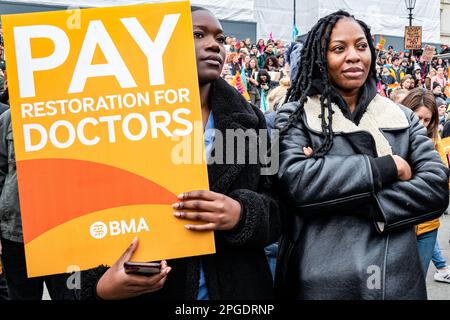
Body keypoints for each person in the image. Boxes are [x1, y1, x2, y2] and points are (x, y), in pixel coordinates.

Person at [80, 6, 280, 300]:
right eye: (197, 35)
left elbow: (279, 209)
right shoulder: (112, 121)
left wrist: (240, 214)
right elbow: (82, 222)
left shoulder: (253, 119)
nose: (214, 45)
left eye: (220, 39)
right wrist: (99, 287)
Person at [275, 10, 449, 300]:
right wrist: (387, 168)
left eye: (361, 46)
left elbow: (435, 188)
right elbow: (296, 184)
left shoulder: (402, 117)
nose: (354, 56)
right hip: (319, 281)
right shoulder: (294, 116)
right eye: (338, 48)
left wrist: (337, 195)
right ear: (319, 57)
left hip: (396, 281)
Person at [0, 110, 77, 300]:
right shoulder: (9, 118)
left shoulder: (80, 112)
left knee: (72, 295)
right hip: (18, 235)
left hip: (68, 235)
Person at [401, 88, 447, 275]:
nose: (421, 124)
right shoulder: (390, 138)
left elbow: (442, 182)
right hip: (399, 225)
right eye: (417, 117)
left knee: (416, 284)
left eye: (427, 120)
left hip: (428, 227)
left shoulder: (435, 143)